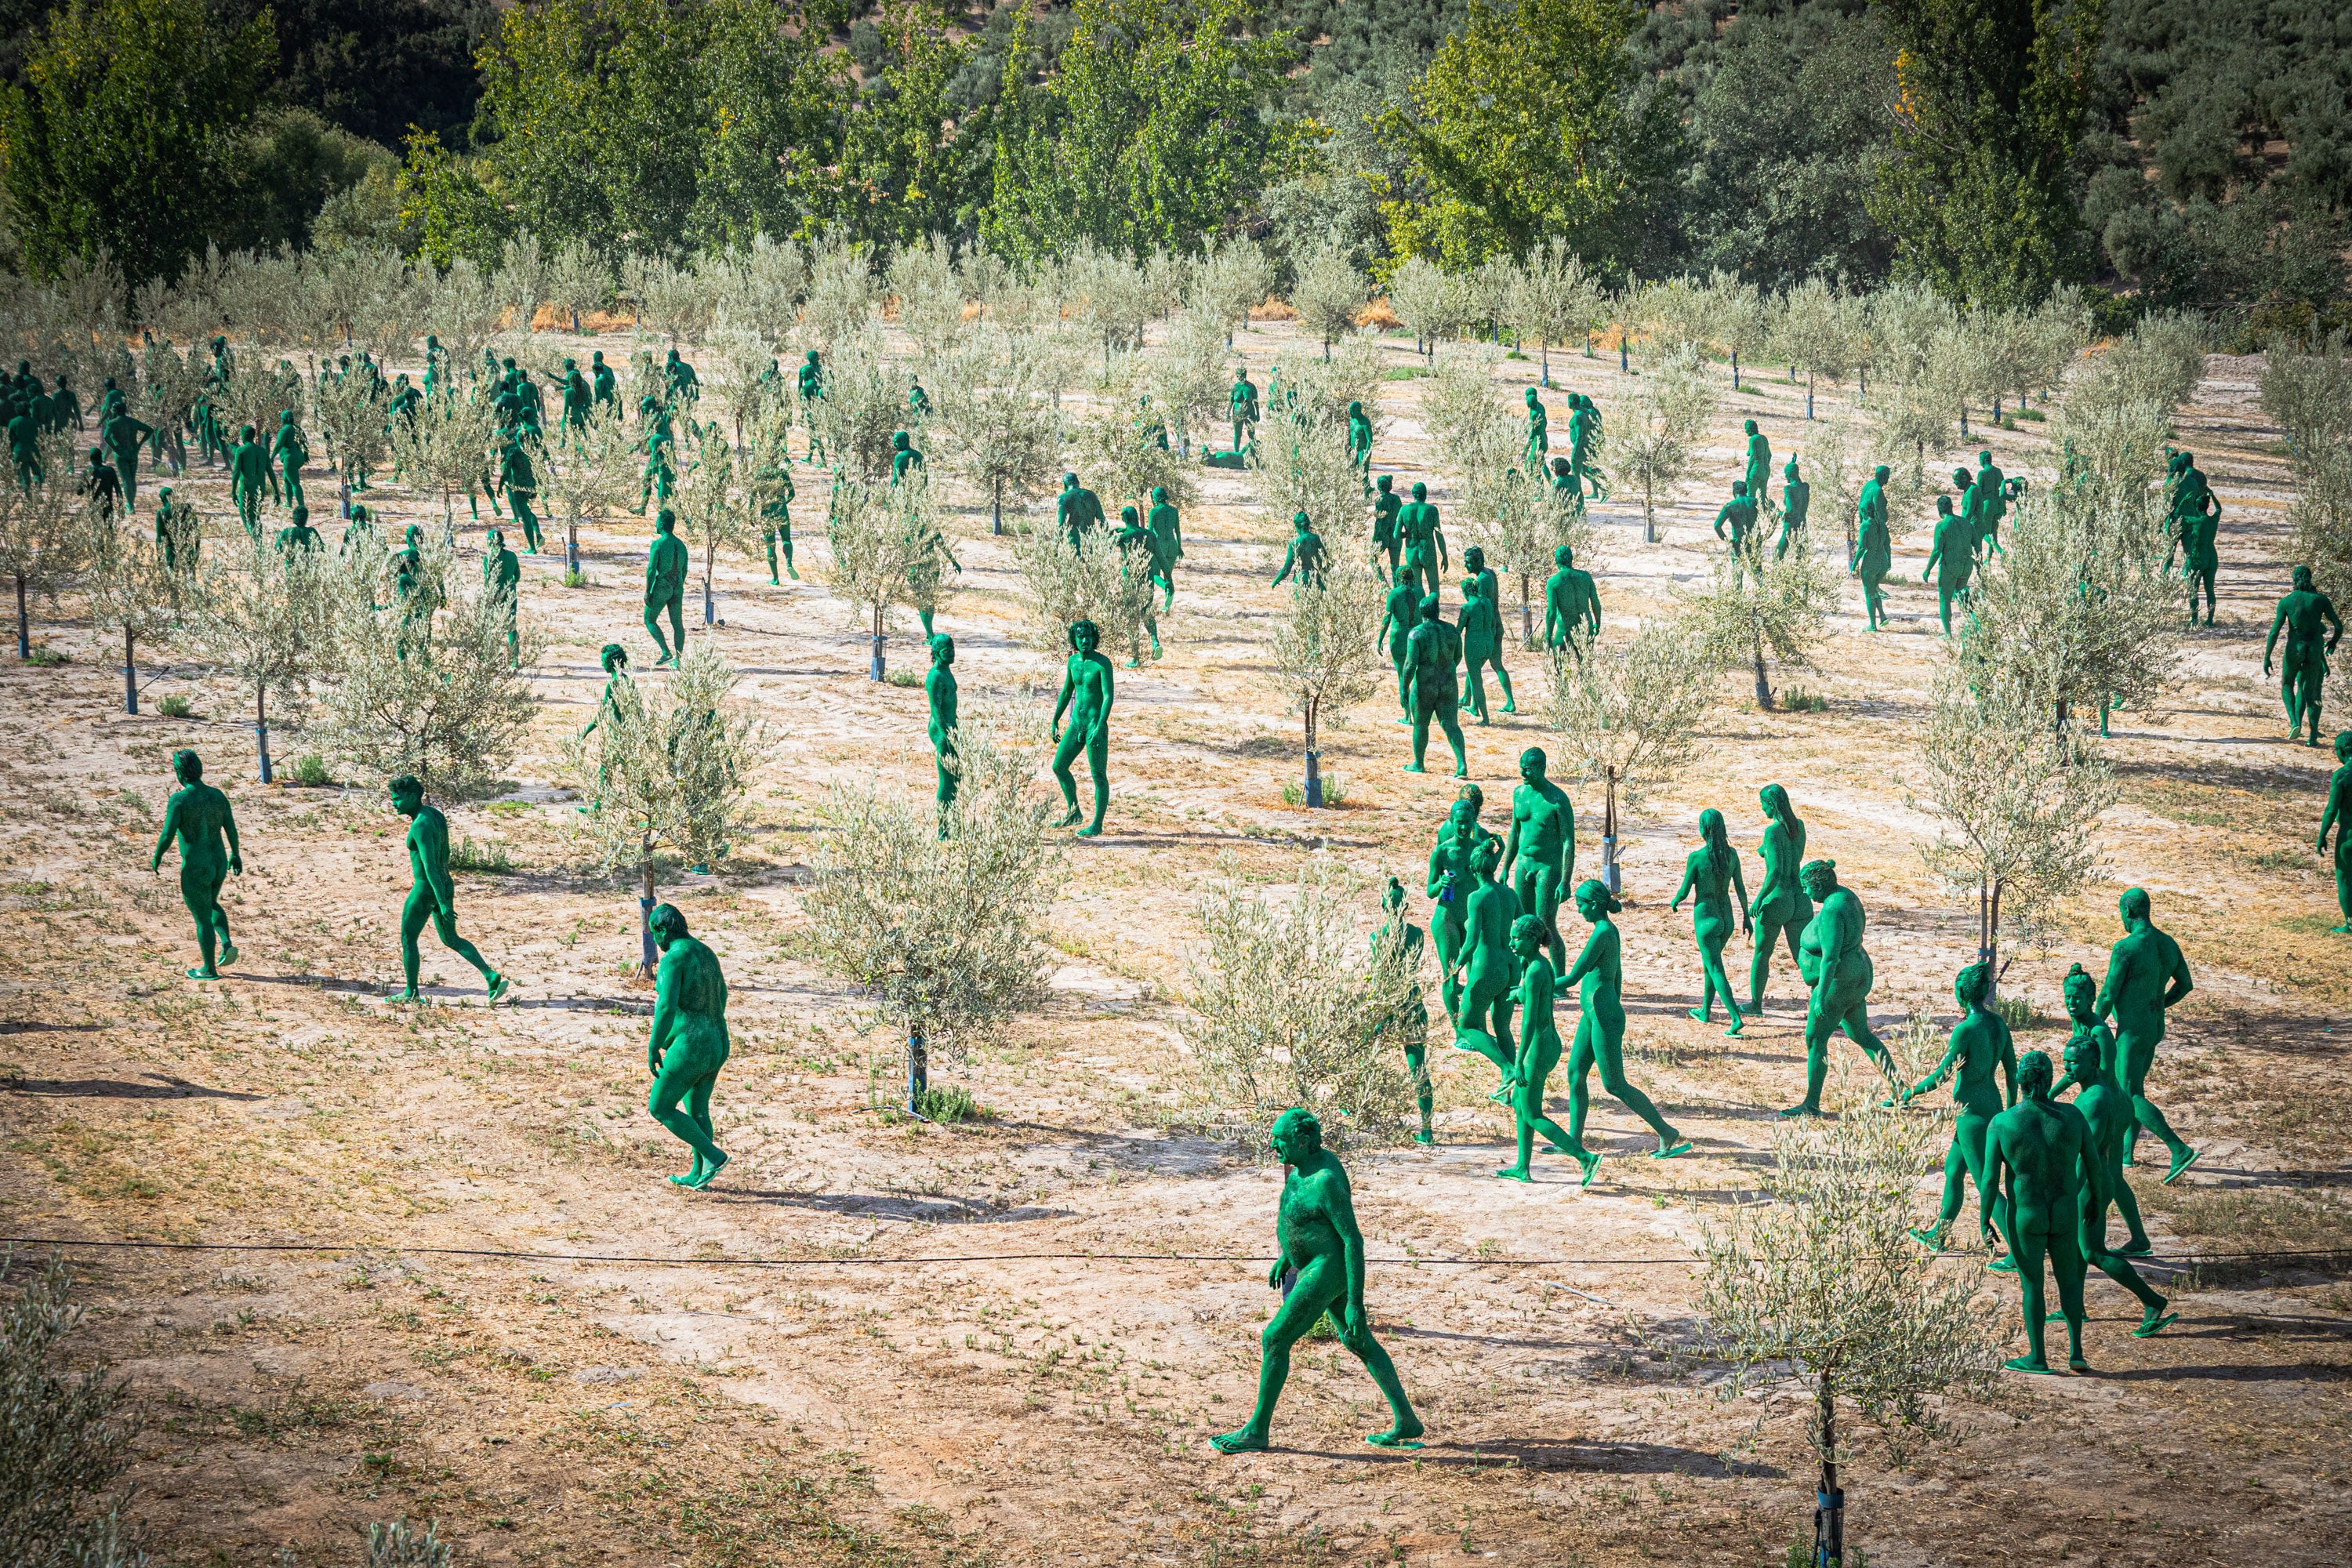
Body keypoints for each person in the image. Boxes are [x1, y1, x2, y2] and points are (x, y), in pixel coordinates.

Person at [1209, 1108, 1424, 1454]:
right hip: (1309, 1265)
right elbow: (1306, 1223)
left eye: (1280, 1140)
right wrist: (1287, 1258)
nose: (1273, 1146)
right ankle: (1407, 1421)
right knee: (1359, 1343)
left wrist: (1356, 1303)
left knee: (1274, 1338)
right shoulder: (1301, 1167)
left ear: (1303, 1141)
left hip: (1326, 1270)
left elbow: (1352, 1240)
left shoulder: (1325, 1180)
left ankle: (1256, 1431)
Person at [1555, 884, 1690, 1176]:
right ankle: (1573, 1141)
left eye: (1580, 904)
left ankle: (1667, 1131)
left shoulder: (1603, 932)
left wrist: (1530, 986)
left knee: (1614, 1084)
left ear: (1594, 903)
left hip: (1603, 1016)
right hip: (1595, 1014)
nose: (1578, 910)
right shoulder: (1607, 931)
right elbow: (1617, 976)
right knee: (1575, 1073)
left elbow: (1572, 977)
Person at [1983, 1051, 2091, 1374]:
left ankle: (2038, 1357)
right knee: (2069, 1282)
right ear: (2049, 1078)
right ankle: (2076, 1352)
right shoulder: (2072, 1116)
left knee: (2033, 1285)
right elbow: (2095, 1167)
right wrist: (2097, 1201)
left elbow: (1989, 1180)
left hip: (2027, 1215)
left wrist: (1984, 1218)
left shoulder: (2002, 1123)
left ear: (2019, 1080)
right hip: (2065, 1212)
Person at [1902, 962, 2016, 1252]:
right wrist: (2012, 1111)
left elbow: (1942, 1075)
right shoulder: (1998, 1024)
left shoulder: (1965, 1030)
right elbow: (2012, 1073)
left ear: (1960, 993)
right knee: (1953, 1170)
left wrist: (1908, 1093)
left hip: (1971, 1117)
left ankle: (2019, 1252)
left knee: (1985, 1185)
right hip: (1994, 1107)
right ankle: (1939, 1235)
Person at [2096, 888, 2199, 1182]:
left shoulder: (2126, 948)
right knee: (2134, 1085)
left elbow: (2107, 995)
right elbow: (2185, 984)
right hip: (2154, 1027)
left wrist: (2090, 1025)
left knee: (2129, 1093)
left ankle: (2178, 1149)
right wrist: (2161, 1002)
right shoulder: (2167, 944)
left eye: (2121, 914)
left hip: (2132, 1030)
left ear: (2128, 912)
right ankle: (2126, 1153)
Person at [1785, 859, 1897, 1115]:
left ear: (1817, 885)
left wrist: (1821, 996)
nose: (1805, 892)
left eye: (1807, 887)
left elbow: (1831, 958)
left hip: (1840, 981)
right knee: (1862, 1035)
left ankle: (1811, 1104)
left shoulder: (1832, 910)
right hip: (1857, 972)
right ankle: (1899, 1088)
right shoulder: (1847, 896)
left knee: (1815, 1039)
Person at [390, 774, 509, 1005]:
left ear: (412, 797)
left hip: (426, 888)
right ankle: (491, 976)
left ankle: (411, 993)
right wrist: (443, 894)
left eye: (397, 799)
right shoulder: (435, 815)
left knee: (407, 938)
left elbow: (429, 865)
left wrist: (440, 901)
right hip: (446, 883)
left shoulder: (420, 825)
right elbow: (446, 855)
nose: (394, 803)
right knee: (451, 938)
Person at [645, 902, 730, 1189]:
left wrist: (655, 1044)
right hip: (718, 1040)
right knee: (698, 1110)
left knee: (660, 1106)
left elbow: (666, 1006)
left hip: (691, 1045)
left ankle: (714, 1156)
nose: (656, 942)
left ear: (663, 930)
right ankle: (698, 1174)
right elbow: (723, 995)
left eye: (654, 934)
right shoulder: (705, 952)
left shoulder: (674, 958)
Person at [150, 750, 241, 979]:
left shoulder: (179, 800)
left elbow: (167, 835)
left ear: (179, 772)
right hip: (219, 861)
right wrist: (236, 855)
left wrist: (157, 856)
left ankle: (208, 969)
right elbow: (230, 828)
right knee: (211, 903)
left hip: (196, 866)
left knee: (202, 918)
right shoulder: (218, 796)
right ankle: (227, 942)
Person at [1669, 809, 1750, 1035]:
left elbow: (1684, 891)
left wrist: (1675, 901)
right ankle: (1705, 1010)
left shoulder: (1697, 858)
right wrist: (1746, 916)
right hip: (1727, 917)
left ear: (1703, 829)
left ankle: (1735, 1018)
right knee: (1710, 965)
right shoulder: (1732, 855)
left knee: (1715, 968)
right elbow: (1740, 889)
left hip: (1706, 918)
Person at [1501, 747, 1573, 972]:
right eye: (1521, 768)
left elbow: (1568, 842)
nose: (1523, 774)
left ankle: (1560, 980)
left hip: (1547, 867)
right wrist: (1505, 867)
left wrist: (1565, 880)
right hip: (1523, 864)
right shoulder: (1519, 794)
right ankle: (1527, 973)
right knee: (1523, 922)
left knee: (1545, 922)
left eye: (1529, 770)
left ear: (1542, 769)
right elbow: (1514, 832)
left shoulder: (1557, 800)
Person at [1374, 879, 1435, 1145]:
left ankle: (1352, 1105)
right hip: (1412, 1001)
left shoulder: (1378, 937)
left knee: (1363, 1050)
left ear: (1384, 906)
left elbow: (1380, 977)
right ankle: (1427, 1127)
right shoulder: (1418, 934)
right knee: (1418, 1067)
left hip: (1389, 1003)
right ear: (1406, 906)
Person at [2262, 566, 2342, 745]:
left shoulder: (2286, 601)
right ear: (2310, 578)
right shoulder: (2321, 600)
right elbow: (2338, 626)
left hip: (2294, 648)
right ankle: (2313, 736)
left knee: (2287, 684)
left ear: (2294, 580)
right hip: (2314, 649)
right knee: (2312, 693)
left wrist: (2267, 657)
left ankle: (2295, 723)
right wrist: (2332, 643)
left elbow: (2274, 632)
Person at [1748, 784, 1809, 1012]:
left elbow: (1774, 871)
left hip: (1778, 897)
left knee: (1762, 954)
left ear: (1771, 805)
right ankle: (1826, 999)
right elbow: (1795, 856)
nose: (1762, 808)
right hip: (1801, 897)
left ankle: (1755, 1004)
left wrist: (1759, 899)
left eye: (1763, 804)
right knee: (1802, 955)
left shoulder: (1772, 832)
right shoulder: (1799, 827)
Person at [1051, 619, 1114, 837]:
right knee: (1059, 766)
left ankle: (1097, 824)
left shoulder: (1102, 663)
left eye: (1088, 637)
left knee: (1098, 775)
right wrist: (1055, 720)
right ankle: (1074, 812)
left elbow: (1108, 696)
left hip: (1095, 727)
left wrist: (1100, 724)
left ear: (1093, 638)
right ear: (1074, 639)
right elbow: (1067, 692)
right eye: (1080, 637)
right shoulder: (1073, 663)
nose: (1084, 641)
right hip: (1076, 725)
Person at [1401, 597, 1466, 779]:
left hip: (1425, 685)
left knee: (1421, 725)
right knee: (1452, 725)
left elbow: (1409, 665)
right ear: (1437, 611)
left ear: (1421, 613)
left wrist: (1404, 687)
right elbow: (1457, 657)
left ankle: (1418, 763)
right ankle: (1462, 765)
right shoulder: (1452, 631)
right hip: (1448, 683)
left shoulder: (1416, 633)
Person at [1456, 569, 1512, 722]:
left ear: (1466, 592)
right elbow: (1493, 623)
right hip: (1488, 643)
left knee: (1477, 681)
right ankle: (1472, 705)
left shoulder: (1467, 607)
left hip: (1474, 645)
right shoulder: (1487, 602)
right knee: (1474, 673)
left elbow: (1458, 631)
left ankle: (1485, 718)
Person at [1922, 493, 1973, 635]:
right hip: (1966, 565)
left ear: (1939, 510)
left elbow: (1937, 550)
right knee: (1962, 595)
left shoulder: (1942, 525)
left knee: (1944, 599)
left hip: (1950, 565)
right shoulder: (1966, 523)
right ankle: (1973, 624)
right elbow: (1976, 545)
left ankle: (1948, 634)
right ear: (1952, 507)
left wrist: (1927, 569)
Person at [644, 506, 689, 666]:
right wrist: (678, 585)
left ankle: (665, 651)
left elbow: (651, 570)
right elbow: (684, 570)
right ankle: (679, 659)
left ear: (662, 524)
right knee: (677, 624)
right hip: (678, 586)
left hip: (662, 585)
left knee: (649, 619)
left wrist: (648, 591)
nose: (656, 523)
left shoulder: (658, 545)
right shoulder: (681, 545)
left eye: (657, 521)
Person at [1851, 466, 1893, 630]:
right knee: (1874, 588)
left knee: (1869, 591)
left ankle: (1873, 625)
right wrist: (1889, 559)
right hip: (1882, 557)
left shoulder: (1868, 486)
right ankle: (1882, 616)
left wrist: (1854, 564)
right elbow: (1887, 543)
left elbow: (1861, 548)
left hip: (1871, 557)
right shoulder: (1878, 493)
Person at [926, 633, 959, 837]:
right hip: (942, 731)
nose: (951, 654)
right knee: (947, 780)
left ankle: (951, 822)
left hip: (951, 727)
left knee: (957, 777)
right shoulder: (936, 676)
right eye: (947, 652)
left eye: (953, 650)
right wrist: (947, 734)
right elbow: (936, 708)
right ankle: (943, 829)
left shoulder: (946, 671)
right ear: (937, 653)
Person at [1541, 544, 1600, 657]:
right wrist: (1598, 622)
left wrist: (1548, 636)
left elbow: (1551, 612)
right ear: (1571, 559)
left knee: (1560, 669)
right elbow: (1595, 602)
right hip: (1585, 628)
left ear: (1556, 560)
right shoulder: (1586, 577)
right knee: (1586, 669)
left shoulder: (1553, 582)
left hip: (1564, 630)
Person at [2320, 731, 2352, 934]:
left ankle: (2350, 925)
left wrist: (2322, 835)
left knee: (2346, 879)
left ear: (2340, 751)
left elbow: (2332, 809)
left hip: (2349, 836)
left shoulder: (2341, 775)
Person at [1399, 481, 1446, 601]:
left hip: (1411, 551)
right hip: (1427, 550)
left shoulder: (1404, 510)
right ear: (1425, 495)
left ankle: (1420, 615)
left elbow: (1396, 534)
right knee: (1434, 588)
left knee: (1417, 588)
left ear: (1413, 494)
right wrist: (1444, 556)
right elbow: (1438, 534)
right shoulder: (1432, 510)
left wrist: (1407, 533)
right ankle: (1433, 614)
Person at [483, 526, 521, 666]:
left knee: (489, 625)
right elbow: (517, 576)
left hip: (495, 592)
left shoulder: (489, 558)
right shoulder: (512, 556)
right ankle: (514, 660)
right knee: (511, 627)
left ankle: (488, 657)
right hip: (510, 592)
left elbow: (488, 579)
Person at [1145, 485, 1182, 607]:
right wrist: (1180, 547)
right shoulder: (1174, 511)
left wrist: (1147, 546)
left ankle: (1166, 587)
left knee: (1155, 574)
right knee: (1168, 574)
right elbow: (1177, 531)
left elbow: (1150, 530)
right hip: (1173, 545)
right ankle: (1167, 605)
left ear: (1155, 498)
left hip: (1159, 545)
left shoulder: (1154, 511)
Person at [1270, 510, 1326, 590]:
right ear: (1309, 524)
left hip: (1301, 581)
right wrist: (1323, 572)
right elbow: (1328, 560)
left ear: (1296, 526)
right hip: (1317, 581)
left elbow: (1286, 569)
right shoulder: (1316, 539)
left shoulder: (1294, 544)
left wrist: (1276, 580)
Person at [1776, 458, 1809, 557]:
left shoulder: (1789, 489)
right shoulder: (1805, 487)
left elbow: (1790, 510)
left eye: (1786, 473)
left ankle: (1777, 571)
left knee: (1780, 551)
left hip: (1791, 524)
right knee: (1800, 553)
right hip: (1802, 523)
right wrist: (1792, 464)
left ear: (1789, 474)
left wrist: (1779, 514)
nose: (1785, 476)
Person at [1370, 473, 1402, 576]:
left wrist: (1376, 536)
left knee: (1372, 559)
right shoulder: (1397, 499)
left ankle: (1383, 583)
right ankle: (1397, 587)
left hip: (1383, 533)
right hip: (1395, 531)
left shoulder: (1380, 500)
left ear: (1379, 486)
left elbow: (1380, 520)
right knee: (1395, 565)